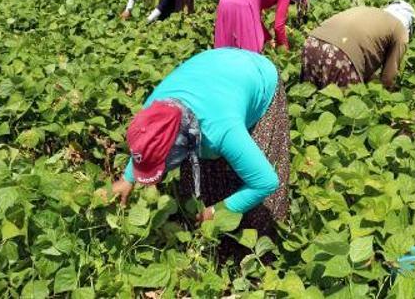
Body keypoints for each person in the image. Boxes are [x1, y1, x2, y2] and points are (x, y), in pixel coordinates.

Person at [100, 48, 289, 258]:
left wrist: (220, 210)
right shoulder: (153, 111)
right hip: (213, 71)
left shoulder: (221, 129)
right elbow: (147, 142)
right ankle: (213, 247)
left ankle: (259, 262)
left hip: (255, 76)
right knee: (198, 188)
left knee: (258, 201)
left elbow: (266, 182)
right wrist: (128, 178)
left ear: (180, 144)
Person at [301, 0, 415, 90]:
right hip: (339, 55)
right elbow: (389, 77)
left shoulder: (370, 11)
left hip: (312, 43)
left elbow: (364, 48)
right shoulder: (400, 29)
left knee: (313, 98)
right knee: (343, 109)